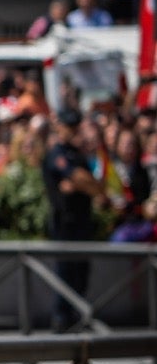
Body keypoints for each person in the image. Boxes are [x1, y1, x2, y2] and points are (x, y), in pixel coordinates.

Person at [42, 108, 103, 331]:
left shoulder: (78, 154)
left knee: (81, 274)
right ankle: (62, 320)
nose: (73, 131)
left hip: (82, 221)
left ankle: (77, 318)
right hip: (64, 223)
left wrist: (84, 184)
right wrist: (83, 183)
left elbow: (89, 182)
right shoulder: (56, 153)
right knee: (65, 273)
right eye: (69, 127)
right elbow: (78, 177)